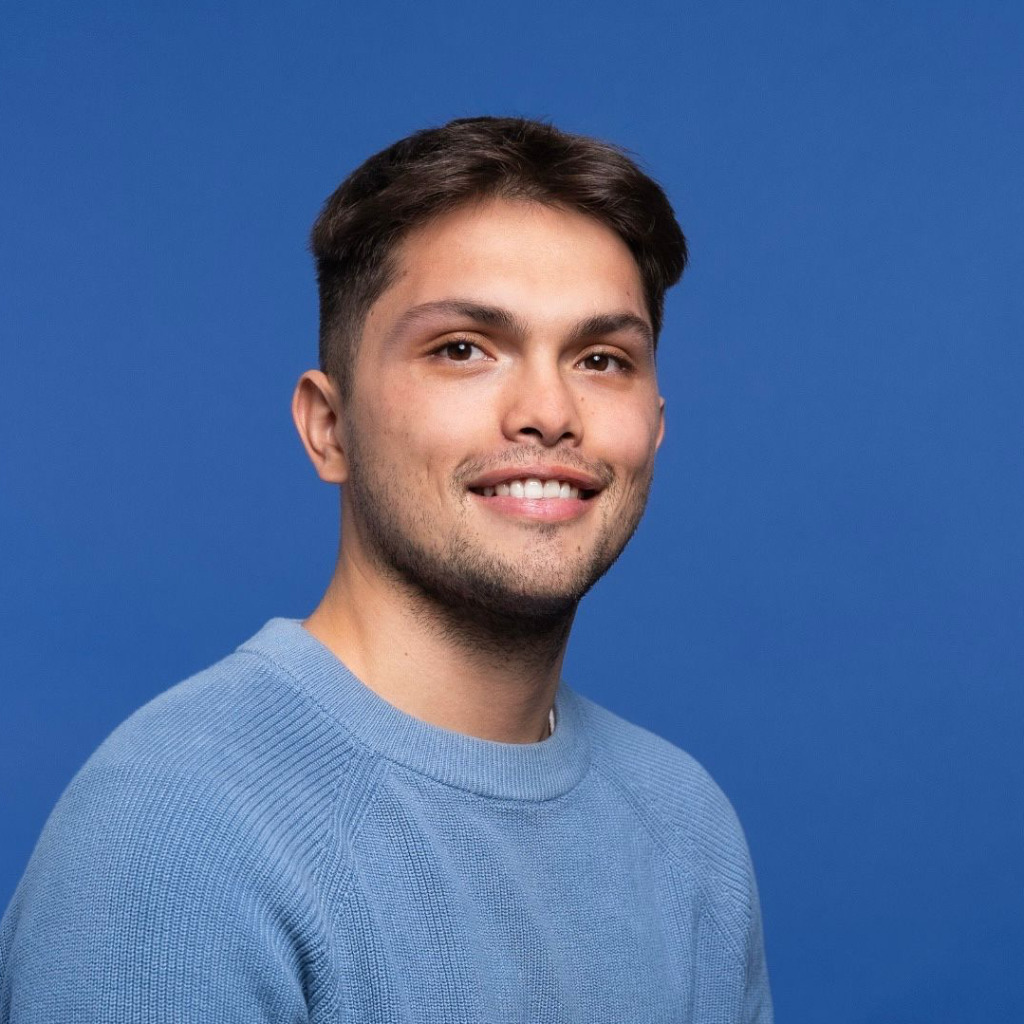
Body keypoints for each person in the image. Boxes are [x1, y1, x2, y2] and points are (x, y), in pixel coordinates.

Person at [0, 117, 772, 1022]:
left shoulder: (685, 826)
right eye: (463, 349)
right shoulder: (177, 833)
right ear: (329, 427)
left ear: (656, 429)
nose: (549, 411)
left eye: (602, 360)